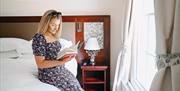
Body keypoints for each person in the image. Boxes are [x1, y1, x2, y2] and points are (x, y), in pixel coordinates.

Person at [32, 10, 84, 91]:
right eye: (53, 25)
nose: (56, 28)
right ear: (46, 24)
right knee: (72, 87)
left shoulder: (54, 36)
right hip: (48, 73)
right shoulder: (39, 38)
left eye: (58, 25)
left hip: (60, 69)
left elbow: (54, 55)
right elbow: (40, 64)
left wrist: (65, 56)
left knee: (76, 85)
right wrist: (61, 62)